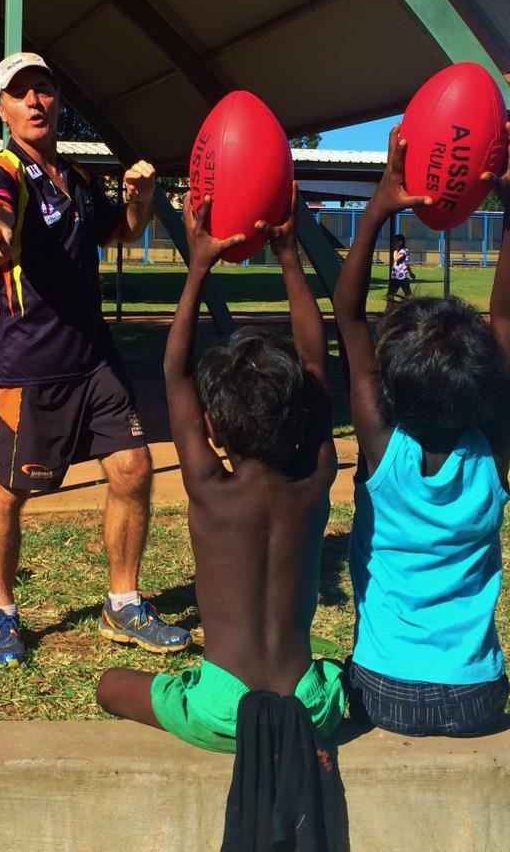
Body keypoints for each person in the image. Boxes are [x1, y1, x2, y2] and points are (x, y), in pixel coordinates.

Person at [96, 186, 344, 755]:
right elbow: (314, 359)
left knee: (111, 683)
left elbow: (176, 374)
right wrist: (288, 255)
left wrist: (198, 266)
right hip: (307, 708)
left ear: (212, 428)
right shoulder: (315, 479)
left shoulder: (210, 489)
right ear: (298, 413)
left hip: (222, 710)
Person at [0, 51, 190, 666]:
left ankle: (122, 603)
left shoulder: (74, 177)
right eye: (21, 93)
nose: (35, 101)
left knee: (134, 468)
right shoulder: (2, 170)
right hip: (28, 366)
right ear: (3, 110)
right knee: (9, 493)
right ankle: (2, 610)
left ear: (58, 100)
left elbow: (122, 230)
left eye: (44, 89)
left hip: (94, 361)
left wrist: (140, 198)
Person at [333, 119, 510, 736]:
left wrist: (378, 209)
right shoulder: (494, 450)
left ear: (388, 386)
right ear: (484, 381)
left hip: (382, 690)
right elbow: (509, 317)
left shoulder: (381, 447)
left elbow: (347, 315)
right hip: (476, 694)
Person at [385, 231, 415, 311]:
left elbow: (396, 259)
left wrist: (395, 250)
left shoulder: (404, 251)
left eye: (395, 241)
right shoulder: (399, 251)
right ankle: (388, 310)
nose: (394, 243)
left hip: (403, 277)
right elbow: (406, 264)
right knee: (390, 294)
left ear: (400, 242)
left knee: (408, 295)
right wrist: (411, 273)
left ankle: (413, 309)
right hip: (395, 276)